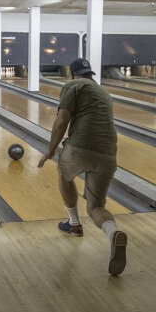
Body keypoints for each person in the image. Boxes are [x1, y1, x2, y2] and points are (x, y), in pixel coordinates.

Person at [38, 58, 128, 276]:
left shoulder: (72, 86)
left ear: (72, 74)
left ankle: (74, 223)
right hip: (108, 154)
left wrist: (50, 151)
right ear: (91, 74)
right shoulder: (105, 93)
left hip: (80, 147)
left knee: (64, 172)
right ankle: (113, 233)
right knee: (96, 207)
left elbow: (62, 121)